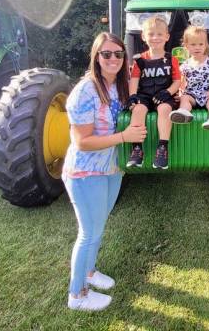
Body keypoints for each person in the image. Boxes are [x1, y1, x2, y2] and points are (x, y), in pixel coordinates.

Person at [63, 32, 147, 311]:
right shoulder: (85, 91)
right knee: (88, 233)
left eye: (118, 54)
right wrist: (125, 137)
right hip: (85, 173)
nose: (112, 59)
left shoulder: (118, 86)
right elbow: (82, 142)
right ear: (96, 57)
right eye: (106, 54)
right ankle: (77, 295)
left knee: (98, 228)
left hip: (111, 167)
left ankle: (89, 272)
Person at [126, 16, 181, 169]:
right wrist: (132, 97)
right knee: (137, 110)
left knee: (165, 109)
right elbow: (134, 80)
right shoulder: (139, 60)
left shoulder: (172, 59)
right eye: (151, 34)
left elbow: (177, 81)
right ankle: (137, 149)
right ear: (144, 37)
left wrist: (168, 92)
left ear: (167, 37)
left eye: (159, 34)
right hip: (145, 95)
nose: (155, 37)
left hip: (163, 96)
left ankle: (162, 148)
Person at [169, 26, 209, 129]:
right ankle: (184, 113)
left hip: (208, 94)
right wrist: (180, 93)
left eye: (201, 44)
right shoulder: (185, 65)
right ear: (186, 46)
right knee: (185, 98)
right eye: (193, 44)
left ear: (205, 45)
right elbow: (182, 82)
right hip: (192, 96)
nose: (197, 47)